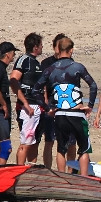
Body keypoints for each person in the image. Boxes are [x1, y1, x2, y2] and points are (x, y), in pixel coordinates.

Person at [32, 37, 97, 176]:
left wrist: (47, 107)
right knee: (84, 148)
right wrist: (90, 105)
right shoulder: (77, 67)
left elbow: (35, 90)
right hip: (76, 113)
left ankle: (61, 177)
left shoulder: (50, 69)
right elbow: (93, 85)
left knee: (61, 148)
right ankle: (83, 178)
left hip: (60, 114)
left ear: (58, 49)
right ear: (71, 50)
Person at [40, 33, 76, 168]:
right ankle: (49, 170)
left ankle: (70, 171)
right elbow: (42, 84)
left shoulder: (71, 62)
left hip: (68, 104)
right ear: (55, 46)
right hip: (52, 102)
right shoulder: (46, 63)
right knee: (49, 140)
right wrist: (45, 104)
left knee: (71, 142)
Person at [9, 32, 44, 165]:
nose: (42, 48)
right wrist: (25, 103)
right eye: (41, 45)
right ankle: (19, 171)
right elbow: (13, 80)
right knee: (26, 142)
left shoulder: (35, 62)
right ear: (35, 47)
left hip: (36, 106)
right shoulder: (24, 60)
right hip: (28, 107)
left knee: (34, 141)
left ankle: (31, 170)